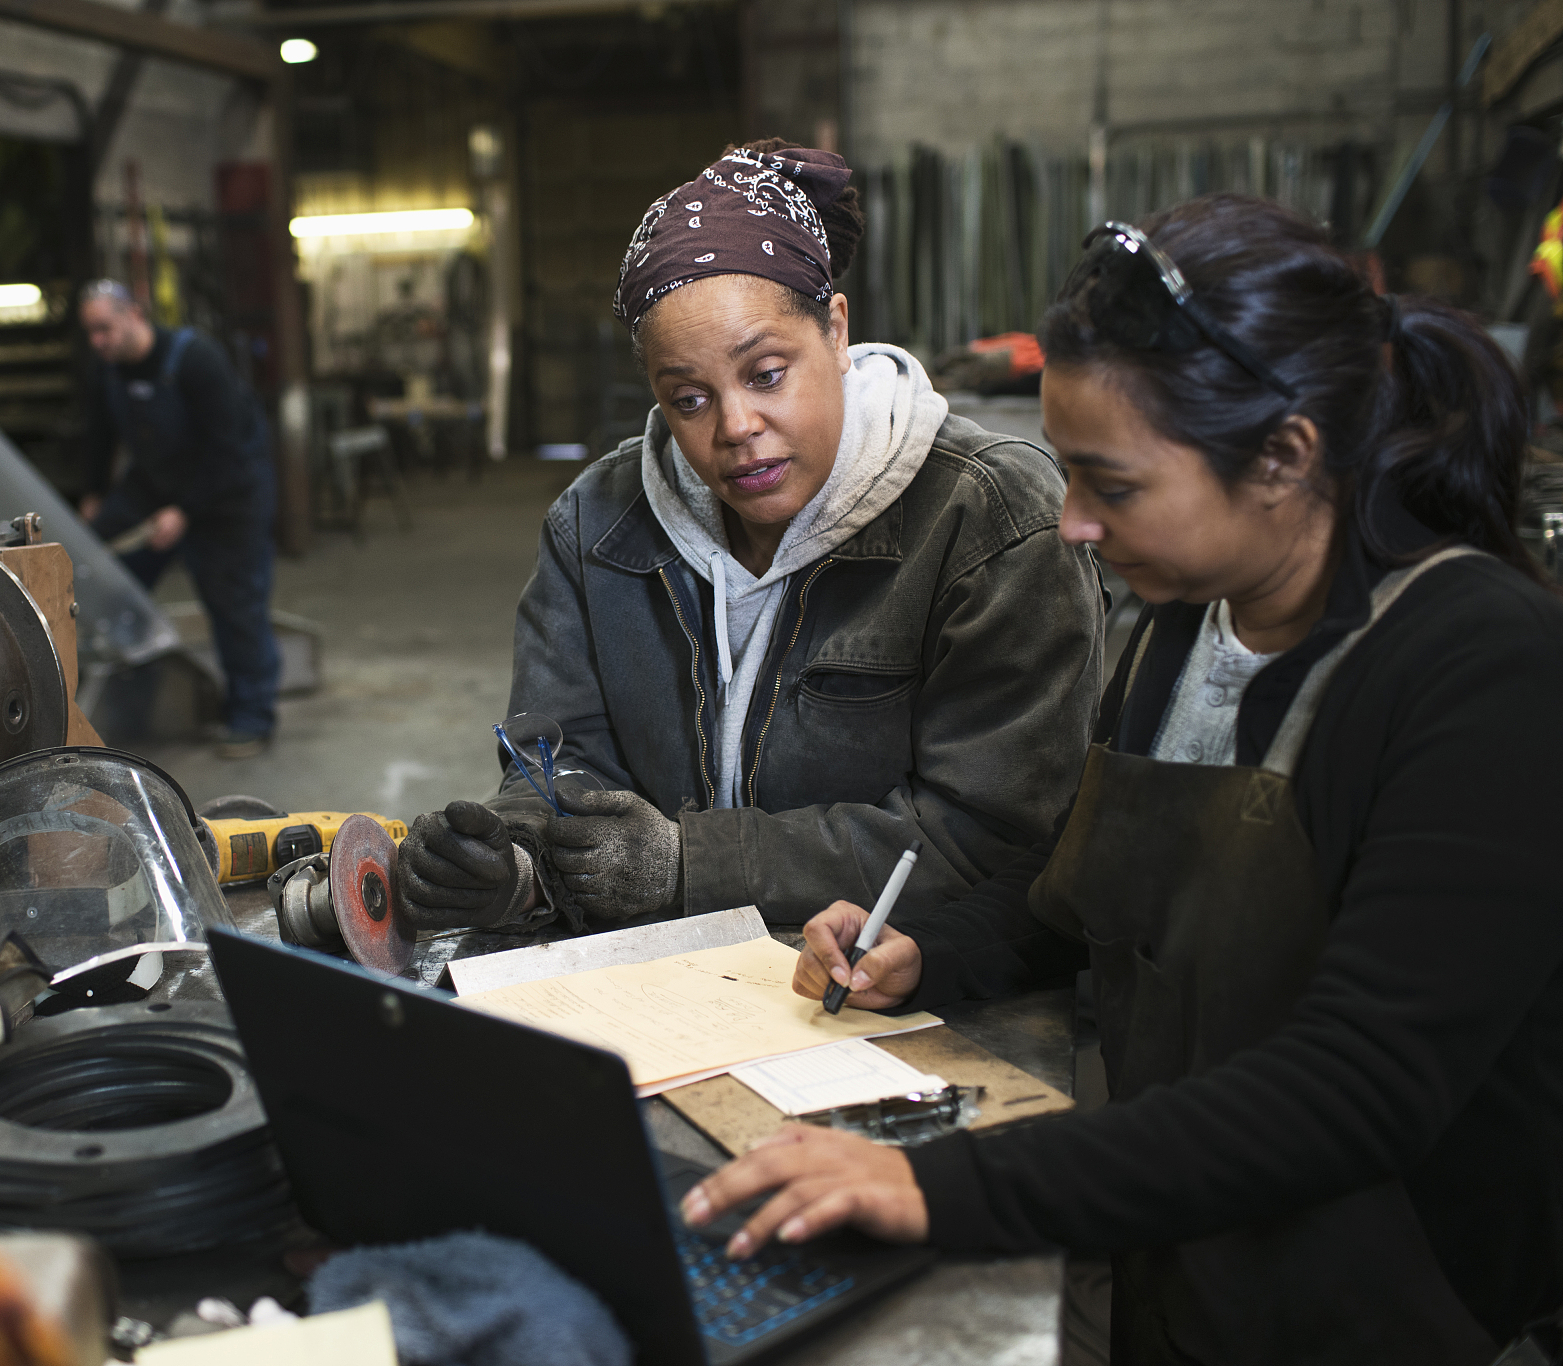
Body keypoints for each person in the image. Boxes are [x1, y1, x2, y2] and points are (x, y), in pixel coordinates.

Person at [683, 195, 1563, 1365]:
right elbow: (1081, 899)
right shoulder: (1176, 630)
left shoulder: (1477, 667)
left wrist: (938, 1187)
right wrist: (930, 950)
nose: (1072, 525)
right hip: (1183, 1253)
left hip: (1398, 1303)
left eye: (1114, 483)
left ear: (1281, 456)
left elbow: (1355, 1087)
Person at [394, 140, 1104, 935]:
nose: (736, 428)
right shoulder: (597, 523)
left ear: (835, 331)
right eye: (688, 399)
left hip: (904, 993)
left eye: (766, 375)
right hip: (669, 990)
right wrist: (517, 867)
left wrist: (696, 865)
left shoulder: (989, 521)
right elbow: (559, 763)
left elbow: (992, 837)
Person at [75, 280, 280, 759]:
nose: (97, 341)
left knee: (235, 607)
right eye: (90, 332)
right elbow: (99, 436)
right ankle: (129, 706)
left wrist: (185, 511)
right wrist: (92, 495)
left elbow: (227, 449)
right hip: (155, 486)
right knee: (98, 572)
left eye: (104, 329)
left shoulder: (194, 360)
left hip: (227, 495)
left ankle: (251, 717)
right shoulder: (109, 371)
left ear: (134, 316)